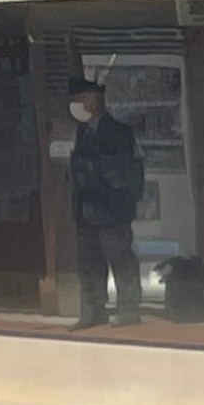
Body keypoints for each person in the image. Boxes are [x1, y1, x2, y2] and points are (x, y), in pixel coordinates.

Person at [66, 77, 146, 327]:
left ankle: (129, 309)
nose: (76, 106)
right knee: (89, 265)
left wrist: (96, 173)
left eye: (79, 100)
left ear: (94, 100)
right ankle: (93, 311)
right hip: (86, 210)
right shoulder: (81, 132)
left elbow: (126, 173)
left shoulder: (119, 132)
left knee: (121, 259)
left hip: (111, 210)